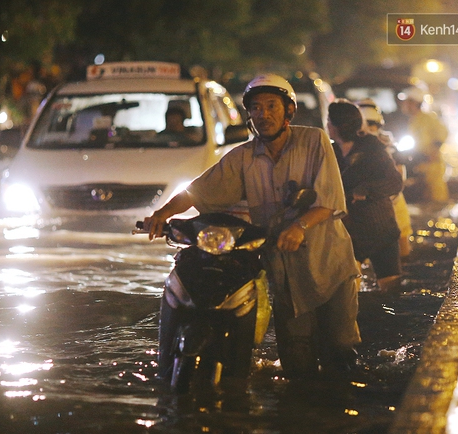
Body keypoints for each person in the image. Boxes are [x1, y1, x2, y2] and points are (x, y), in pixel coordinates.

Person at [145, 74, 362, 378]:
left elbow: (329, 200)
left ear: (289, 110)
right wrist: (162, 214)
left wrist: (300, 226)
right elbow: (199, 191)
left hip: (329, 265)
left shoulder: (314, 140)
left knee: (340, 349)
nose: (263, 114)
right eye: (256, 108)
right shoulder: (243, 157)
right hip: (285, 273)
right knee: (296, 360)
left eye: (272, 106)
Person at [327, 99, 404, 292]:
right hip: (349, 233)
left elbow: (395, 182)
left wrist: (366, 191)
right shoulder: (329, 153)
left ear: (336, 126)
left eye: (329, 121)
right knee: (347, 291)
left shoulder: (373, 150)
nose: (327, 125)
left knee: (390, 288)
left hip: (379, 229)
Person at [357, 98, 413, 259]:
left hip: (392, 202)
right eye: (368, 125)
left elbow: (400, 173)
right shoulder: (349, 147)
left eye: (373, 125)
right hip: (368, 206)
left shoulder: (389, 144)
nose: (370, 130)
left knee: (402, 250)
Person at [399, 86, 450, 204]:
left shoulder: (428, 118)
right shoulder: (413, 120)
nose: (404, 105)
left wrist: (434, 150)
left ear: (414, 103)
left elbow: (443, 133)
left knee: (437, 197)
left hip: (431, 164)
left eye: (406, 102)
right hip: (421, 162)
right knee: (425, 197)